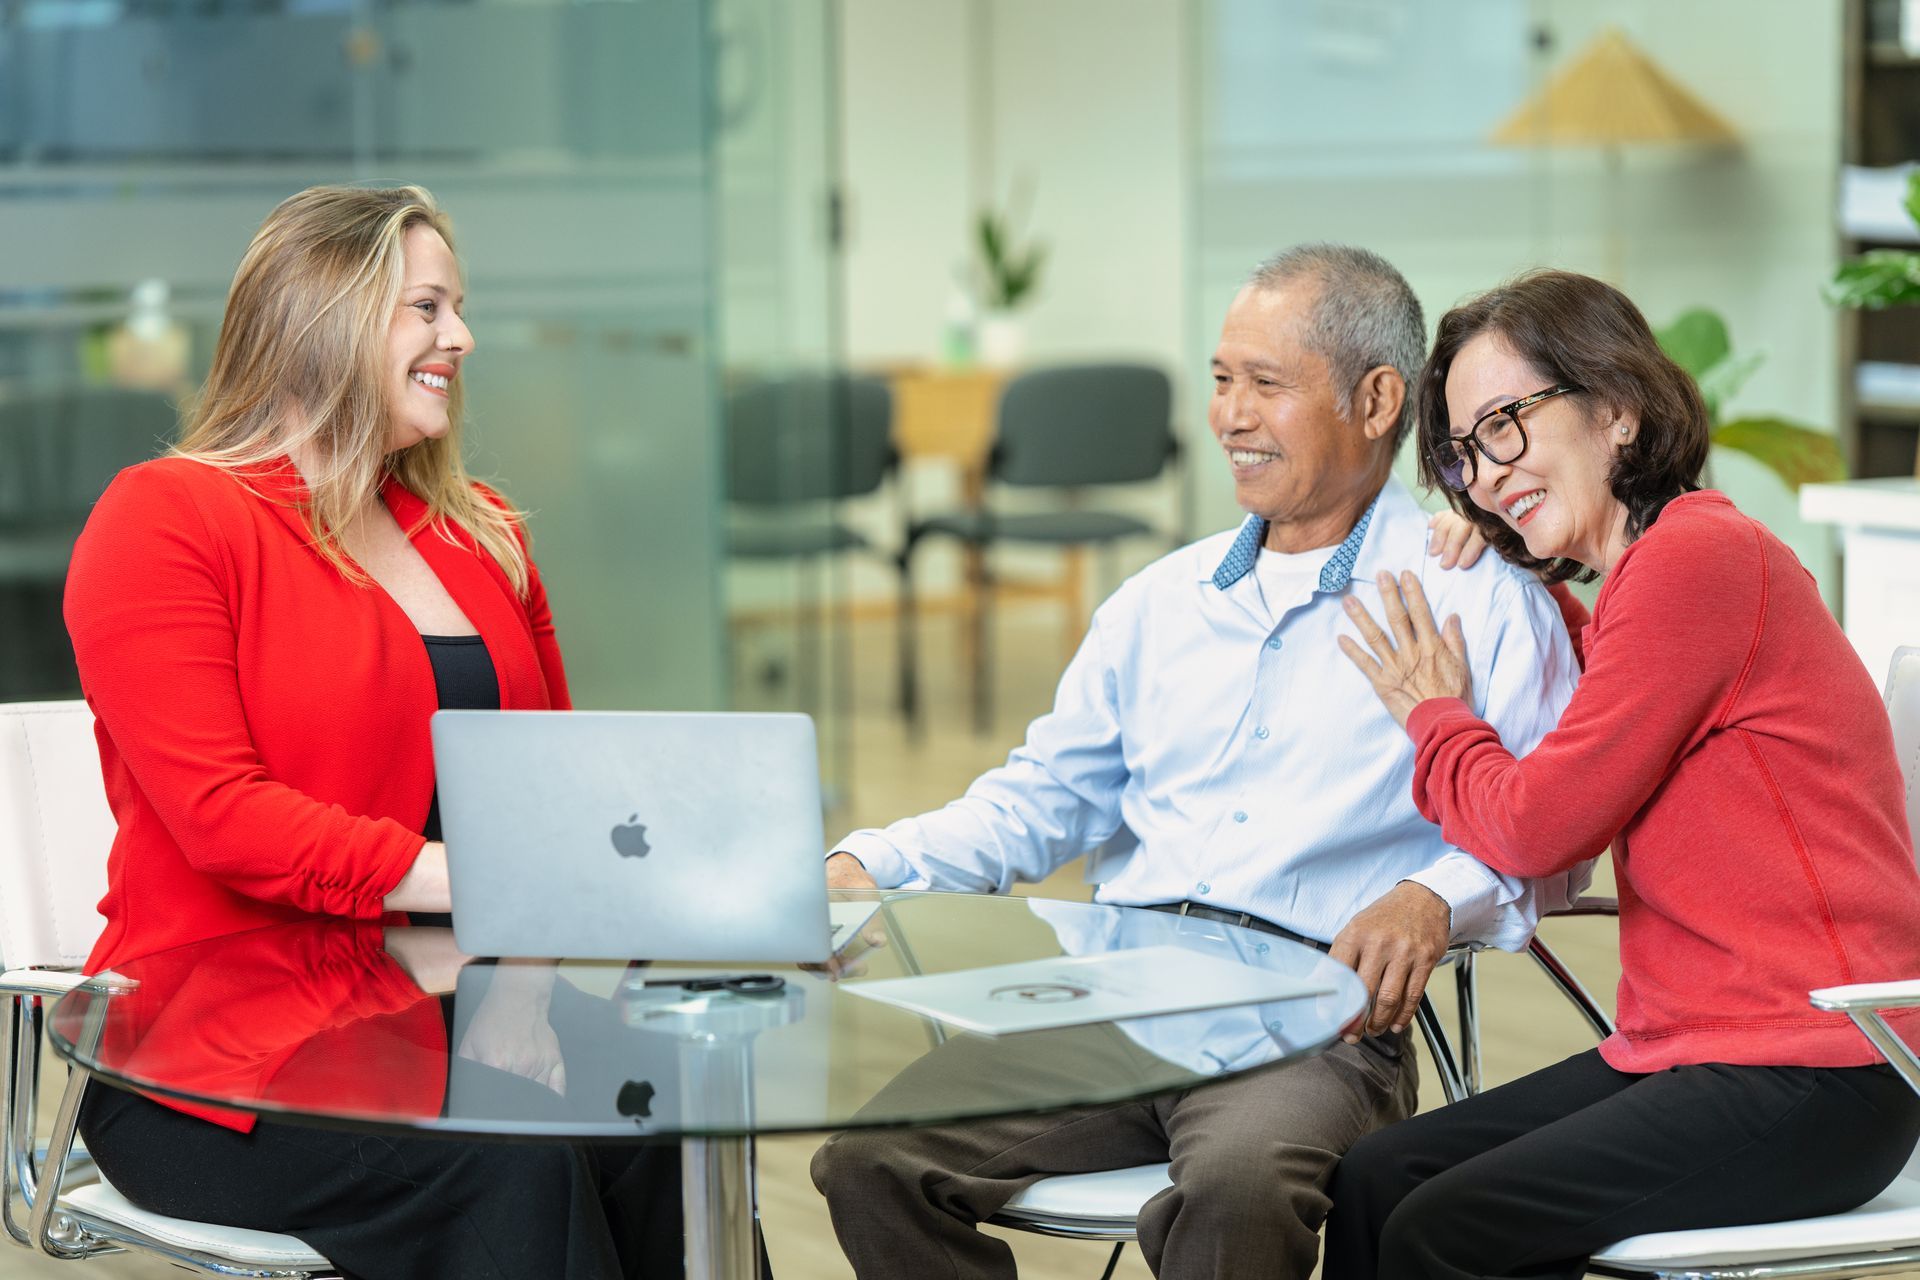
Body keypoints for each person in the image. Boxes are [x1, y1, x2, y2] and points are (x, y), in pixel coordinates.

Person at [809, 244, 1586, 1280]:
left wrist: (1433, 895)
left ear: (1376, 399)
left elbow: (1546, 832)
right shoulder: (1157, 604)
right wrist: (878, 865)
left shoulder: (1477, 597)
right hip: (1114, 997)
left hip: (1311, 1020)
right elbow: (1046, 797)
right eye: (1222, 380)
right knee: (867, 1159)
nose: (1229, 415)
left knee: (1238, 1185)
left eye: (1266, 383)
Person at [63, 185, 683, 1280]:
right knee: (509, 1162)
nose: (463, 338)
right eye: (429, 308)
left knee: (660, 1095)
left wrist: (526, 989)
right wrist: (489, 882)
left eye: (459, 308)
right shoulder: (167, 518)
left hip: (447, 997)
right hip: (217, 1050)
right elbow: (225, 819)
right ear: (329, 316)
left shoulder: (478, 530)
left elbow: (552, 790)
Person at [1325, 268, 1920, 1280]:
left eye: (1505, 423)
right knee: (1378, 1174)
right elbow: (1593, 727)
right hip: (1695, 1046)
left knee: (1445, 1227)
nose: (1485, 470)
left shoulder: (1699, 560)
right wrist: (1515, 564)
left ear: (1618, 410)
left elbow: (1536, 824)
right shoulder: (1650, 582)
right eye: (1466, 452)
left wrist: (1433, 712)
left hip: (1818, 1065)